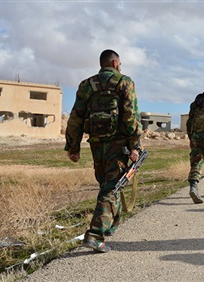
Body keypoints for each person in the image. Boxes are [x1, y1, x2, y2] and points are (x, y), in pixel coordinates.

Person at [65, 49, 142, 253]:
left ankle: (111, 226)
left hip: (97, 143)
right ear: (115, 63)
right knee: (111, 186)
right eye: (120, 64)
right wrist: (135, 145)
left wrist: (73, 147)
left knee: (108, 184)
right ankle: (95, 234)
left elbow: (76, 118)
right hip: (118, 144)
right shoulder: (125, 82)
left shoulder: (86, 85)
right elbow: (130, 115)